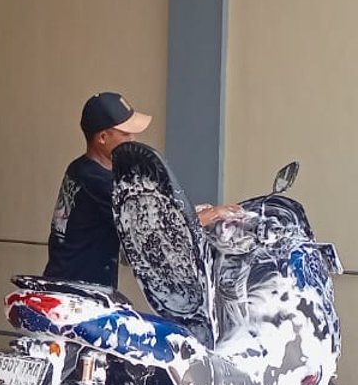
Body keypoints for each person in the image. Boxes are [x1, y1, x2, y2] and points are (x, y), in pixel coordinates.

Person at [44, 92, 240, 289]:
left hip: (68, 283)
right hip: (76, 295)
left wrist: (191, 211)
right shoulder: (100, 183)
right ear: (103, 137)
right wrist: (211, 215)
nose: (133, 138)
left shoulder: (79, 169)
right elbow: (158, 231)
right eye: (126, 134)